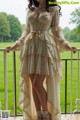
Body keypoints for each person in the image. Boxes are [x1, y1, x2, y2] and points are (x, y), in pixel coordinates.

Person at [5, 0, 77, 120]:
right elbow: (26, 31)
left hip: (45, 47)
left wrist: (67, 45)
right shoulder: (31, 9)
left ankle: (46, 113)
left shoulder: (53, 9)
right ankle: (39, 114)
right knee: (33, 84)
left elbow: (56, 31)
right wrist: (15, 45)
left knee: (36, 83)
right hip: (30, 47)